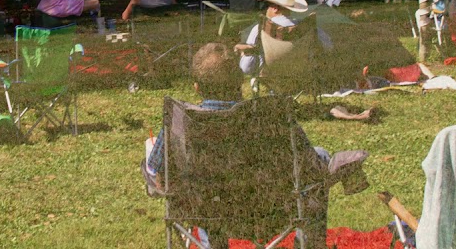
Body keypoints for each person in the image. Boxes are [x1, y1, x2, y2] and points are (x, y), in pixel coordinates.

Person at [142, 42, 369, 245]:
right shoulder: (271, 117)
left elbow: (155, 171)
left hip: (207, 210)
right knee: (321, 154)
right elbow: (310, 163)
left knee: (201, 182)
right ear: (240, 82)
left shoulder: (182, 124)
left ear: (197, 87)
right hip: (272, 211)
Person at [234, 0, 332, 76]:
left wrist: (243, 54)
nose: (265, 9)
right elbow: (329, 47)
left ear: (275, 8)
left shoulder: (261, 28)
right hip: (302, 75)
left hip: (270, 75)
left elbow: (246, 68)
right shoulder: (307, 26)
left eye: (267, 5)